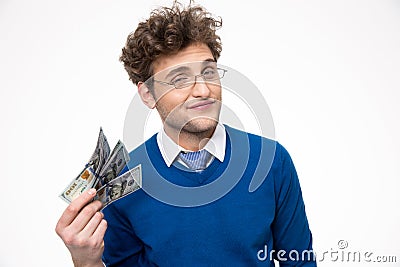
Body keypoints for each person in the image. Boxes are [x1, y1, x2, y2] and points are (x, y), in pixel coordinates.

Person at [55, 2, 316, 266]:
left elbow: (300, 261)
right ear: (148, 94)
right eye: (179, 79)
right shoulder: (123, 183)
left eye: (208, 72)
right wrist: (85, 262)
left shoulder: (272, 161)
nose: (203, 90)